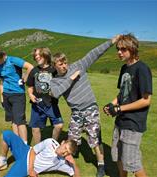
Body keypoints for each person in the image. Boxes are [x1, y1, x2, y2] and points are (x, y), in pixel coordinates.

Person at [50, 35, 120, 177]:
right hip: (76, 112)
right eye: (60, 64)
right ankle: (69, 163)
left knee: (95, 139)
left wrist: (112, 41)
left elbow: (94, 53)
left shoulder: (78, 66)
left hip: (90, 109)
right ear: (54, 66)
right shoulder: (55, 81)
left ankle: (101, 165)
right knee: (72, 139)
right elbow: (56, 93)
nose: (64, 66)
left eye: (65, 63)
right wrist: (71, 79)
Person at [103, 34, 152, 177]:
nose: (119, 52)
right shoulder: (124, 68)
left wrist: (119, 109)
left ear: (132, 49)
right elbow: (122, 94)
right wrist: (111, 104)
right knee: (117, 156)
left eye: (123, 49)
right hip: (120, 121)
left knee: (132, 163)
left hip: (133, 123)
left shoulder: (142, 69)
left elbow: (146, 100)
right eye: (118, 49)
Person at [0, 130, 80, 177]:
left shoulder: (62, 162)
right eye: (65, 148)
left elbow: (76, 175)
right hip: (27, 152)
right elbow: (33, 151)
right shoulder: (50, 142)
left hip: (24, 165)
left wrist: (73, 163)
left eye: (67, 153)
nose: (64, 152)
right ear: (63, 142)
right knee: (6, 134)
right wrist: (31, 169)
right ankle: (2, 161)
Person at [0, 47, 33, 143]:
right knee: (13, 120)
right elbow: (1, 82)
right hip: (6, 95)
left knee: (20, 121)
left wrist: (25, 78)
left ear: (0, 55)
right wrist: (2, 98)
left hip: (18, 94)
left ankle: (24, 145)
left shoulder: (13, 60)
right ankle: (16, 142)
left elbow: (30, 67)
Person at [26, 47, 64, 144]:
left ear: (45, 55)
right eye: (35, 56)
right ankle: (38, 148)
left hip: (51, 103)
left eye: (39, 55)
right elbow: (30, 86)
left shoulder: (54, 70)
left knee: (59, 125)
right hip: (37, 104)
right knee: (35, 128)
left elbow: (62, 82)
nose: (36, 57)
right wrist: (30, 94)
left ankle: (53, 145)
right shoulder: (34, 70)